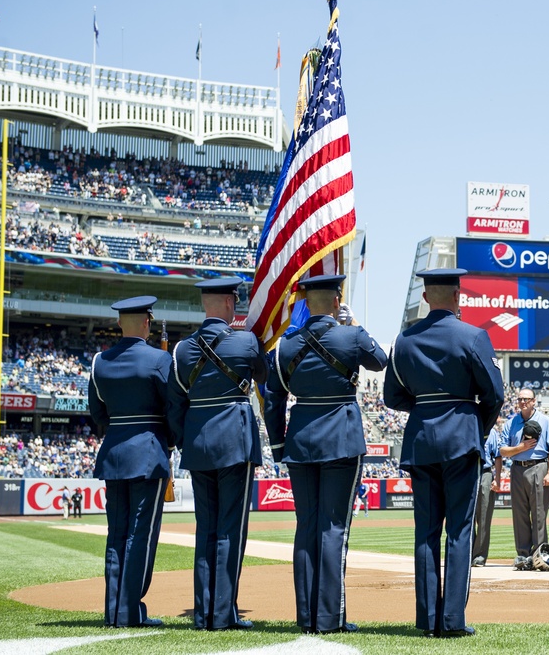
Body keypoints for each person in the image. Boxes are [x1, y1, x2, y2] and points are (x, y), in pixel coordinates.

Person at [383, 268, 505, 639]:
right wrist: (475, 424)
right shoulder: (473, 336)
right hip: (461, 438)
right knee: (460, 530)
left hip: (421, 440)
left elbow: (391, 396)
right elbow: (495, 394)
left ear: (425, 297)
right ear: (457, 297)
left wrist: (424, 407)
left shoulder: (404, 340)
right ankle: (452, 620)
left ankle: (427, 618)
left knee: (426, 531)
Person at [264, 274, 387, 635]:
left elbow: (274, 400)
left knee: (307, 528)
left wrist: (278, 445)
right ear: (337, 301)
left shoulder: (286, 346)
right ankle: (330, 617)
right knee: (334, 529)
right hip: (342, 439)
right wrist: (354, 325)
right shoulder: (351, 336)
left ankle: (306, 616)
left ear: (305, 303)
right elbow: (379, 360)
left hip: (301, 440)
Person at [167, 277, 267, 631]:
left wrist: (184, 440)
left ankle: (203, 612)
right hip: (235, 444)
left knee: (205, 529)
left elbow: (175, 404)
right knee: (230, 530)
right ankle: (224, 613)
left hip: (198, 445)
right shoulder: (245, 342)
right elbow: (263, 373)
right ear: (229, 303)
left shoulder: (182, 350)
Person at [88, 295, 172, 628]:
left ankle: (113, 611)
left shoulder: (99, 361)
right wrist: (170, 440)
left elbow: (97, 414)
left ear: (120, 322)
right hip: (148, 453)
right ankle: (130, 609)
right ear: (148, 323)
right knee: (141, 535)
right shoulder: (159, 360)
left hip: (114, 453)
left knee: (117, 533)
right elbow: (173, 409)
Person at [499, 388, 549, 569]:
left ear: (534, 401)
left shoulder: (546, 421)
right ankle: (523, 555)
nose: (523, 402)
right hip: (517, 468)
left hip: (539, 467)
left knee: (539, 514)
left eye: (527, 399)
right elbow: (503, 450)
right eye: (520, 399)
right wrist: (521, 447)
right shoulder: (511, 423)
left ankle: (540, 554)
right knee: (520, 514)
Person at [471, 420, 502, 567]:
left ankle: (479, 556)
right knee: (466, 518)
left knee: (484, 518)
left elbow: (497, 456)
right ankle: (466, 553)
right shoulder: (467, 427)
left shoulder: (492, 432)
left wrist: (497, 478)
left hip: (485, 473)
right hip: (467, 474)